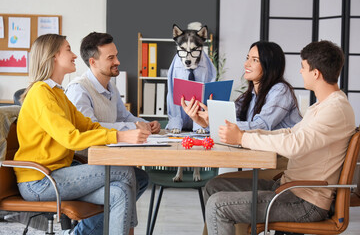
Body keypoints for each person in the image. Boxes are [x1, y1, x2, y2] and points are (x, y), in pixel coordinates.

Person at [204, 40, 355, 235]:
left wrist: (242, 139)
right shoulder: (322, 106)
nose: (300, 72)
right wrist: (244, 135)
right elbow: (289, 133)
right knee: (214, 186)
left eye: (303, 67)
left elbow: (294, 145)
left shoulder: (335, 109)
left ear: (316, 73)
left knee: (218, 205)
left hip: (304, 201)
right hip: (288, 187)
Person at [14, 34, 150, 235]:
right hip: (40, 181)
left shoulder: (57, 93)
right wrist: (119, 137)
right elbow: (72, 139)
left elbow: (88, 126)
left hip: (58, 173)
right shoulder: (41, 93)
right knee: (126, 172)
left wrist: (125, 132)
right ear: (53, 56)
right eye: (68, 49)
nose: (75, 55)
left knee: (119, 192)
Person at [182, 41, 302, 179]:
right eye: (247, 58)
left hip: (283, 165)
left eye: (255, 60)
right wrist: (202, 119)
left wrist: (215, 120)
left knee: (221, 181)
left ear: (269, 66)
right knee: (220, 180)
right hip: (262, 159)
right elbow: (231, 119)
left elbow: (261, 125)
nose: (246, 64)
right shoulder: (250, 94)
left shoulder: (280, 90)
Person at [65, 32, 160, 201]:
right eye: (111, 58)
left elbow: (124, 117)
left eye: (116, 56)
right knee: (131, 182)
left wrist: (146, 124)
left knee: (141, 178)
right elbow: (90, 128)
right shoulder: (78, 90)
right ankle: (88, 228)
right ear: (93, 62)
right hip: (85, 161)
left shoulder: (111, 87)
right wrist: (134, 128)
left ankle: (105, 227)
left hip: (109, 156)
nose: (118, 62)